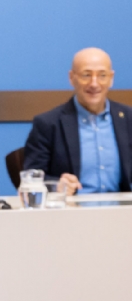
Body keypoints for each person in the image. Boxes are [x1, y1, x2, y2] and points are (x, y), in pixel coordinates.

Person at [23, 47, 132, 194]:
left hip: (122, 211)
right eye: (86, 75)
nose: (94, 83)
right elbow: (32, 178)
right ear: (72, 78)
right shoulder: (48, 123)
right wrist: (57, 186)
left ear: (111, 79)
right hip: (71, 211)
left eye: (102, 75)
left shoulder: (128, 119)